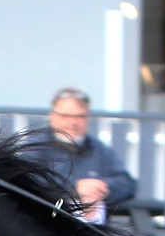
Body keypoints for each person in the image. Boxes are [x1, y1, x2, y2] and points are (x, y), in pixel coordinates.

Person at [23, 88, 136, 223]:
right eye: (66, 116)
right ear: (52, 116)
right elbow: (27, 181)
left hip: (96, 233)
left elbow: (127, 184)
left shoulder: (98, 149)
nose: (73, 122)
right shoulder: (34, 147)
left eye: (80, 116)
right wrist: (75, 190)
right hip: (46, 227)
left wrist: (102, 187)